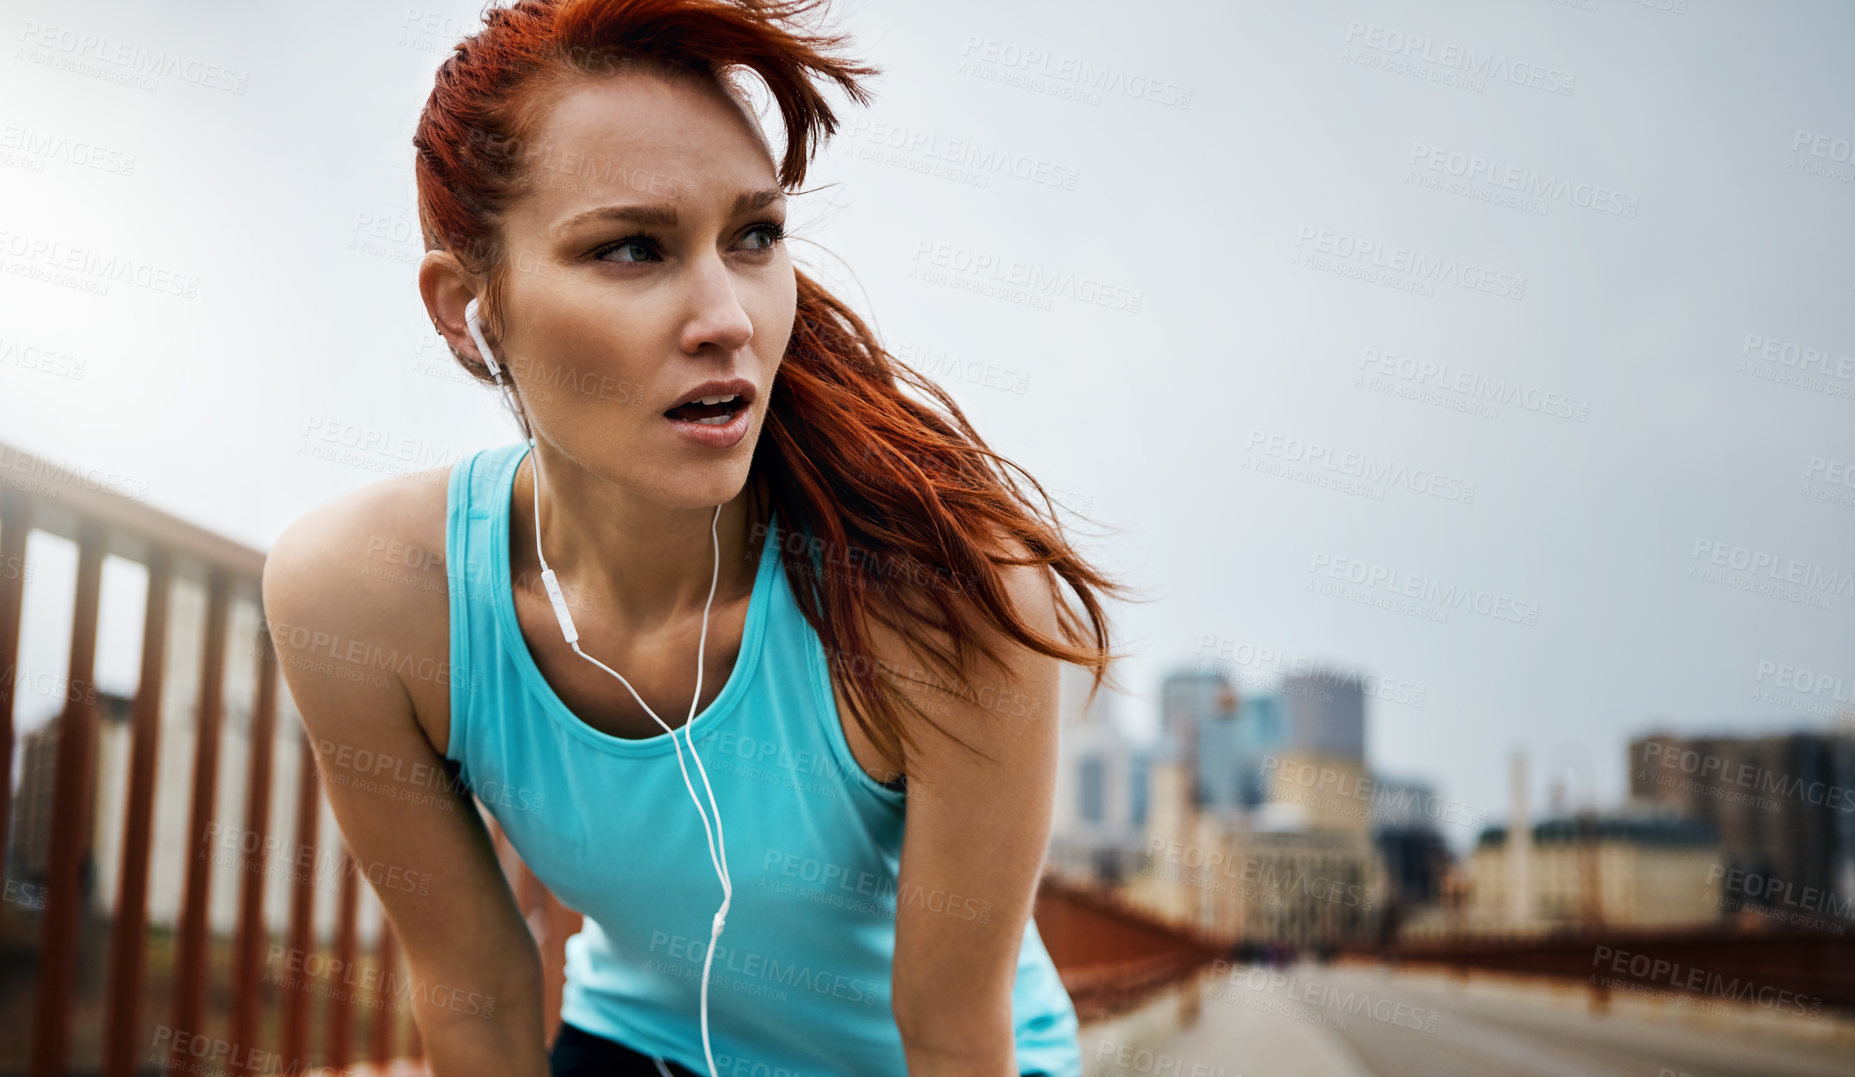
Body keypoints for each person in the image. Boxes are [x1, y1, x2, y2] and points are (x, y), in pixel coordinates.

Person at [261, 0, 1136, 1073]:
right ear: (465, 310)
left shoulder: (940, 596)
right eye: (632, 247)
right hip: (637, 1047)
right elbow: (474, 987)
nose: (727, 316)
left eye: (754, 236)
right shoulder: (368, 596)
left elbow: (950, 1036)